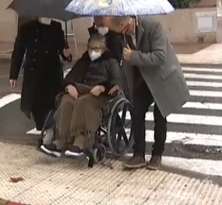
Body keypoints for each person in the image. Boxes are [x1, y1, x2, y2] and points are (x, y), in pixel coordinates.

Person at [103, 15, 190, 170]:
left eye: (121, 29)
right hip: (143, 80)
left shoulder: (153, 27)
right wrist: (121, 84)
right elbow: (126, 63)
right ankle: (139, 154)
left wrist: (134, 56)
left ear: (126, 22)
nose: (121, 33)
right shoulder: (123, 35)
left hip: (161, 78)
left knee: (160, 114)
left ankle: (157, 155)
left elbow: (159, 56)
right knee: (137, 111)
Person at [40, 34, 121, 158]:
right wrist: (69, 86)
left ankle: (81, 141)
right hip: (80, 90)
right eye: (91, 48)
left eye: (97, 49)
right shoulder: (84, 61)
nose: (93, 52)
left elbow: (117, 81)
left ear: (104, 49)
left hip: (99, 95)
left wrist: (103, 87)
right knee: (67, 100)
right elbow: (70, 77)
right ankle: (62, 140)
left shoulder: (111, 62)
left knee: (83, 102)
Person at [10, 17, 71, 140]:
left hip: (52, 73)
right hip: (34, 73)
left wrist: (67, 54)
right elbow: (18, 52)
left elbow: (63, 50)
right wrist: (13, 75)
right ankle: (46, 128)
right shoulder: (27, 28)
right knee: (35, 104)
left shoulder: (56, 27)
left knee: (51, 103)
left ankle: (49, 130)